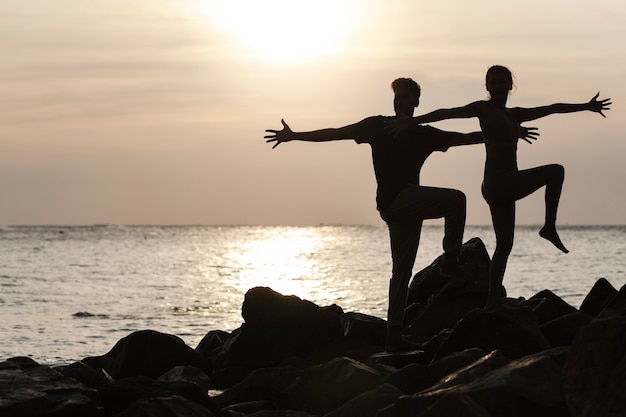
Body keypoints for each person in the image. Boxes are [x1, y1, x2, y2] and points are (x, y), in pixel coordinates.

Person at [265, 77, 536, 350]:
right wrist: (295, 135)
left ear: (416, 102)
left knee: (401, 272)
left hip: (407, 207)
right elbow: (336, 132)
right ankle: (450, 261)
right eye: (397, 97)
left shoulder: (424, 133)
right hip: (395, 201)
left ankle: (393, 335)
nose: (400, 102)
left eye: (406, 97)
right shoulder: (377, 126)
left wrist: (507, 134)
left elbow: (462, 139)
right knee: (456, 200)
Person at [387, 66, 611, 310]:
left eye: (502, 81)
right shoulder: (482, 109)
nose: (497, 86)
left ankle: (492, 302)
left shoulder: (514, 115)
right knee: (556, 171)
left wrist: (586, 106)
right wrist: (413, 122)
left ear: (510, 86)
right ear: (486, 86)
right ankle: (548, 227)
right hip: (498, 181)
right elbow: (448, 112)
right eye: (492, 82)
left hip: (504, 184)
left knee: (504, 246)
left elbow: (552, 108)